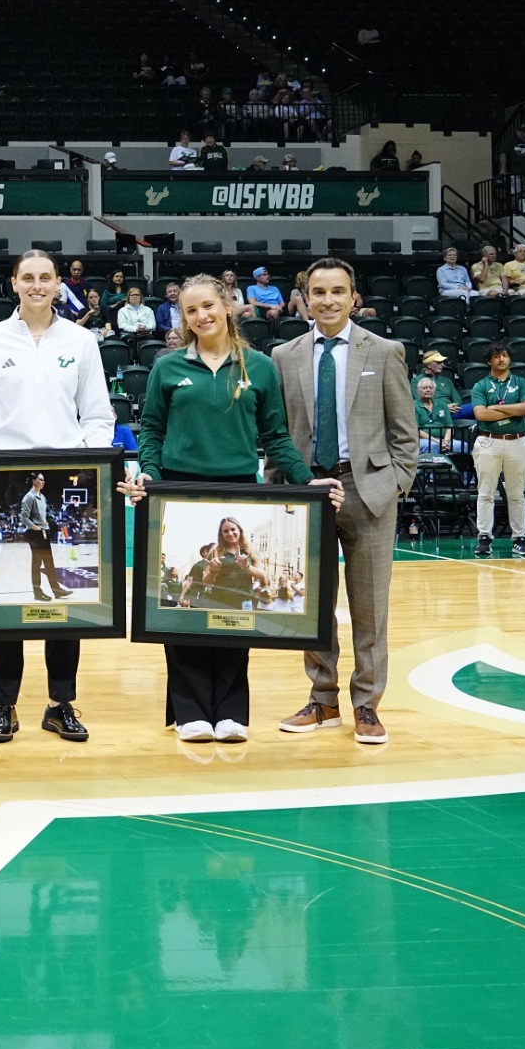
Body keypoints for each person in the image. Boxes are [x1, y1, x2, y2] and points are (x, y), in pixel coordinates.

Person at [124, 274, 341, 744]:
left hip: (239, 489)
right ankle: (189, 713)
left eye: (207, 306)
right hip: (177, 491)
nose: (200, 317)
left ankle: (230, 712)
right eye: (189, 311)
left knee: (233, 607)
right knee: (183, 608)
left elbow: (276, 437)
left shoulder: (260, 367)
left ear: (226, 305)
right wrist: (147, 474)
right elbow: (152, 433)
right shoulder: (167, 367)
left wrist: (308, 480)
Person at [0, 248, 116, 744]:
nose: (37, 285)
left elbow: (97, 415)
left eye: (45, 277)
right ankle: (4, 704)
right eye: (28, 277)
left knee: (64, 597)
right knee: (5, 599)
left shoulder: (81, 341)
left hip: (67, 474)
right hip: (3, 475)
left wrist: (94, 473)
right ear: (14, 283)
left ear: (57, 285)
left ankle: (59, 703)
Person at [269, 258, 418, 748]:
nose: (328, 300)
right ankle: (324, 699)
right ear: (304, 298)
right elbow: (278, 431)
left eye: (338, 291)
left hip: (368, 489)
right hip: (307, 491)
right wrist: (281, 488)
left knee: (370, 607)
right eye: (318, 291)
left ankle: (367, 705)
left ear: (354, 298)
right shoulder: (284, 356)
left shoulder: (385, 350)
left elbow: (405, 432)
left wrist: (396, 482)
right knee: (313, 606)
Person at [470, 340, 525, 559]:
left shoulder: (521, 382)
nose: (502, 359)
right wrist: (514, 411)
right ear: (489, 360)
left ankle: (519, 538)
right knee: (485, 492)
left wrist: (497, 407)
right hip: (489, 440)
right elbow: (481, 415)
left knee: (517, 493)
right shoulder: (480, 385)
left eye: (505, 355)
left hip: (518, 440)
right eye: (497, 356)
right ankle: (484, 537)